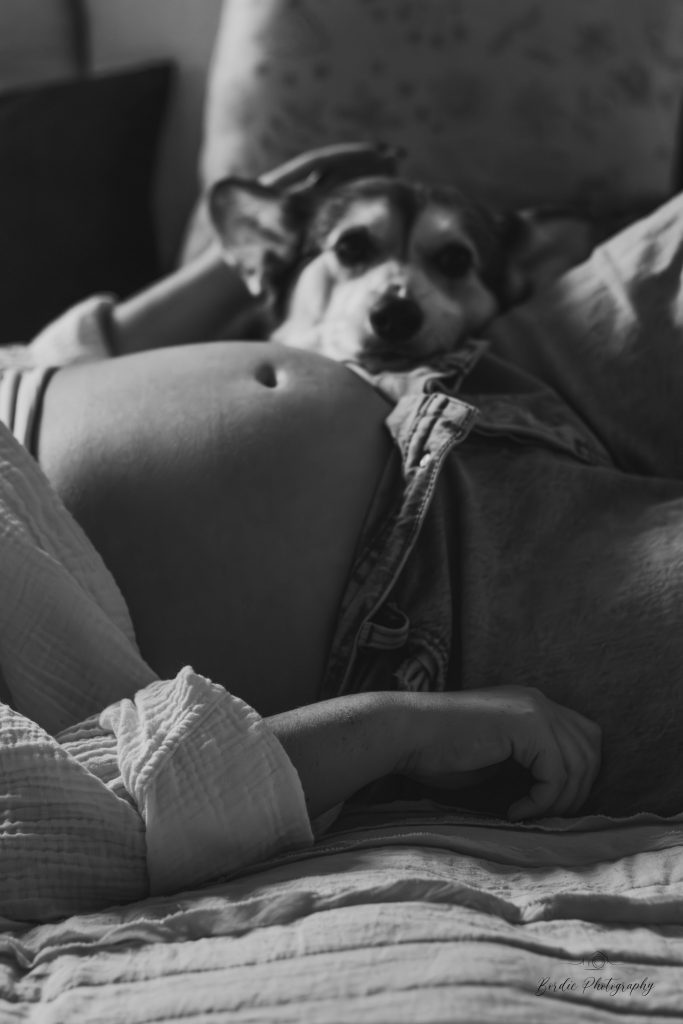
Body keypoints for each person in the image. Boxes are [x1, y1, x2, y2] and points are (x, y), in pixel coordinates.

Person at [4, 146, 683, 919]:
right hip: (433, 600)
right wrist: (390, 727)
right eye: (354, 248)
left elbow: (41, 362)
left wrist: (240, 256)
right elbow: (46, 827)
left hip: (498, 367)